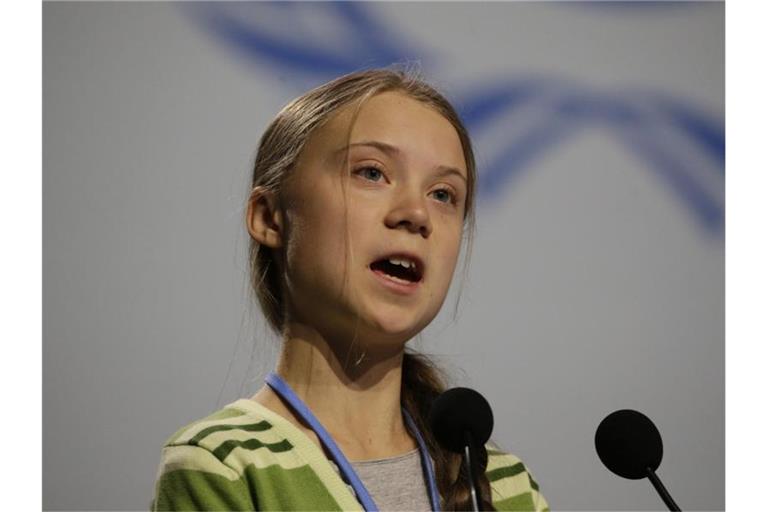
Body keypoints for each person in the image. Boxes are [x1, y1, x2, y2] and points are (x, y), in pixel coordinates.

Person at [151, 68, 549, 512]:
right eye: (372, 173)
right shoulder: (225, 466)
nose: (416, 213)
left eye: (443, 194)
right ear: (269, 217)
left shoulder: (502, 484)